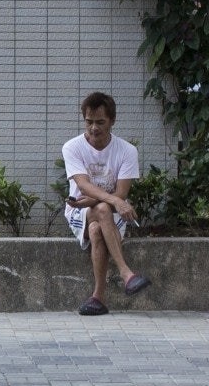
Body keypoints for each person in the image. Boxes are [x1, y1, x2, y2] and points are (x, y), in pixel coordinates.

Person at [63, 91, 149, 315]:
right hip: (78, 212)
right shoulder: (72, 147)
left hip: (106, 213)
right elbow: (83, 185)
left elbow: (121, 192)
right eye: (89, 122)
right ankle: (126, 274)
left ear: (112, 121)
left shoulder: (127, 151)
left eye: (100, 122)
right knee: (101, 209)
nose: (94, 128)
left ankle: (98, 298)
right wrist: (111, 201)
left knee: (96, 229)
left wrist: (99, 201)